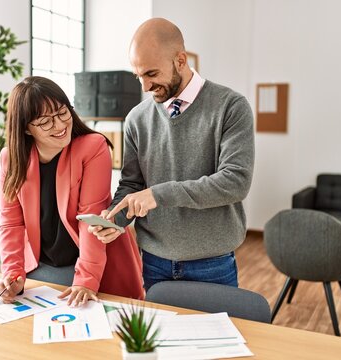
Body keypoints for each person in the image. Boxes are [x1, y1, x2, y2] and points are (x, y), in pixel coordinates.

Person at [90, 18, 255, 291]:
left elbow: (235, 182)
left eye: (152, 74)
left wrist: (158, 194)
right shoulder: (136, 119)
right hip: (154, 262)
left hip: (212, 263)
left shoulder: (230, 107)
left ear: (180, 60)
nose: (144, 87)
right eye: (138, 76)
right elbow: (132, 184)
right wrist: (115, 219)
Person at [0, 76, 144, 306]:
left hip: (97, 266)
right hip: (45, 268)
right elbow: (11, 223)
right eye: (45, 121)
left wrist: (85, 280)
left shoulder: (93, 146)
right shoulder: (11, 158)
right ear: (26, 128)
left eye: (62, 112)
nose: (59, 125)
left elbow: (90, 219)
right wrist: (13, 273)